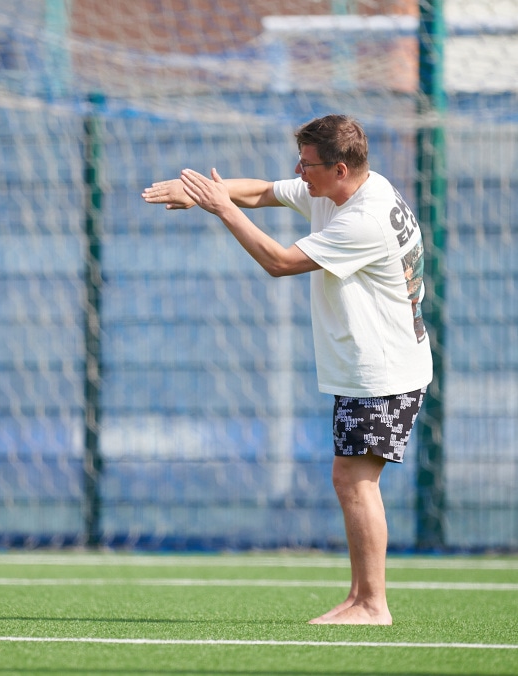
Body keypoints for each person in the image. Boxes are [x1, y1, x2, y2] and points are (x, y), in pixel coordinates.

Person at [141, 115, 432, 625]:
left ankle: (372, 604)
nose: (300, 171)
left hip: (383, 370)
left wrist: (221, 209)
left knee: (355, 483)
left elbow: (278, 261)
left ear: (340, 168)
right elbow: (263, 191)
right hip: (381, 363)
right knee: (352, 479)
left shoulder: (362, 219)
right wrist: (204, 190)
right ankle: (360, 596)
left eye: (309, 163)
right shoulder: (349, 188)